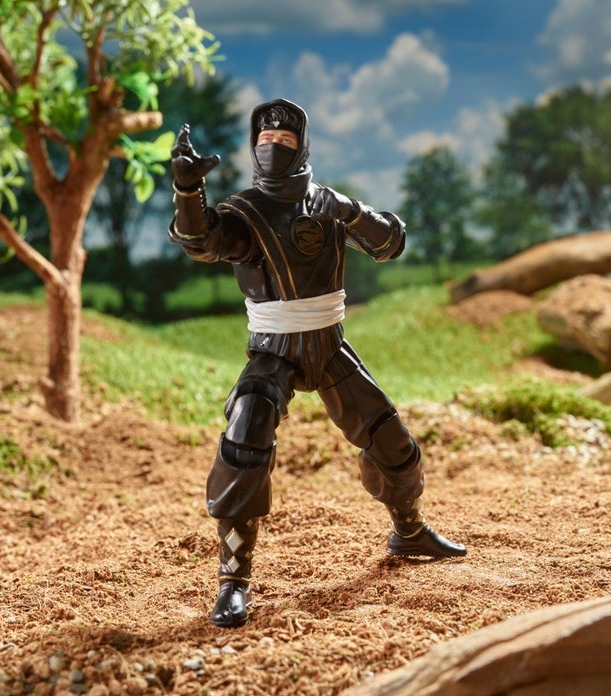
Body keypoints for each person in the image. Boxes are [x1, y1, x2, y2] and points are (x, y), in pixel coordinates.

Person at [168, 98, 466, 628]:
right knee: (244, 439)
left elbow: (391, 243)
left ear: (302, 147)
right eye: (264, 140)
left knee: (391, 441)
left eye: (284, 141)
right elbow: (200, 241)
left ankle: (409, 530)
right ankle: (233, 579)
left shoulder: (327, 203)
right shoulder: (244, 212)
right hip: (273, 348)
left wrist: (350, 211)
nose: (272, 147)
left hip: (330, 346)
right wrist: (188, 191)